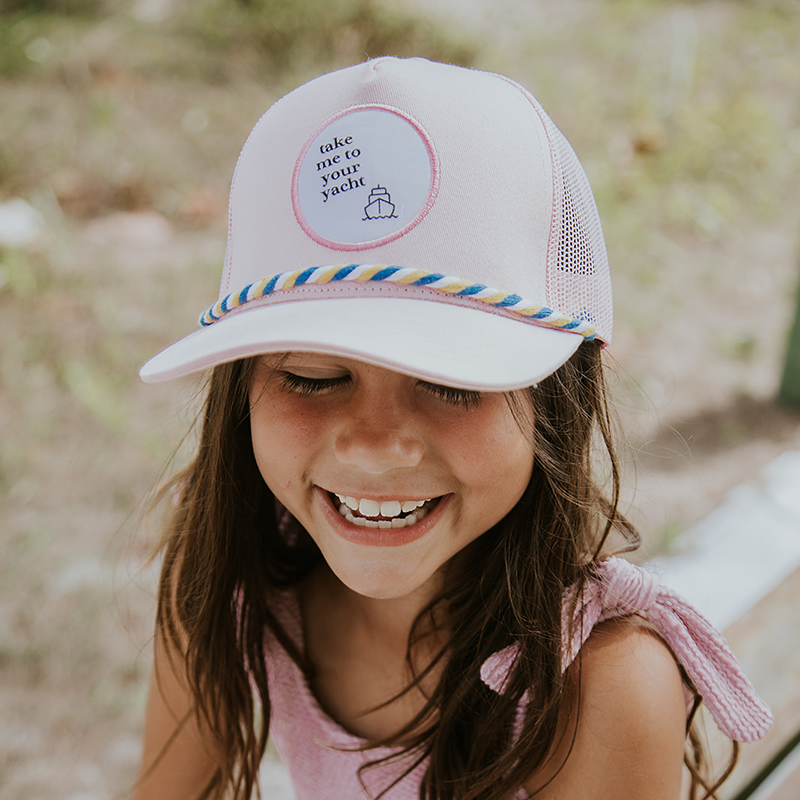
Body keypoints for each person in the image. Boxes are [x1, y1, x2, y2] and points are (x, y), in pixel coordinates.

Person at [133, 58, 772, 800]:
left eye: (450, 384)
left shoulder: (601, 682)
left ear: (556, 405)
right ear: (239, 386)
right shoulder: (234, 566)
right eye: (312, 376)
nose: (376, 442)